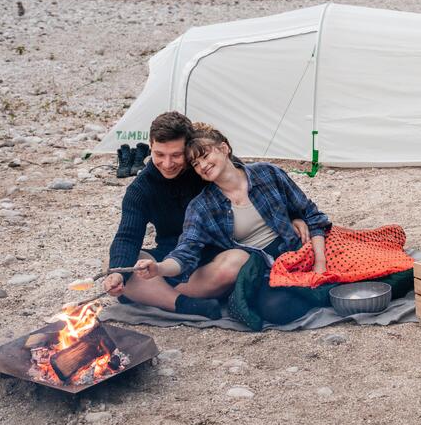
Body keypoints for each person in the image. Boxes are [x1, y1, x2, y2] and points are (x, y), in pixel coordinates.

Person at [103, 111, 309, 320]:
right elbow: (127, 236)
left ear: (189, 147)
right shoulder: (141, 190)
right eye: (159, 155)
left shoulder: (205, 165)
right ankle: (183, 304)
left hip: (215, 257)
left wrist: (292, 216)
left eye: (176, 155)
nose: (167, 164)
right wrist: (119, 275)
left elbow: (255, 189)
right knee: (113, 265)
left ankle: (151, 294)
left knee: (238, 261)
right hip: (171, 260)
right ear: (151, 146)